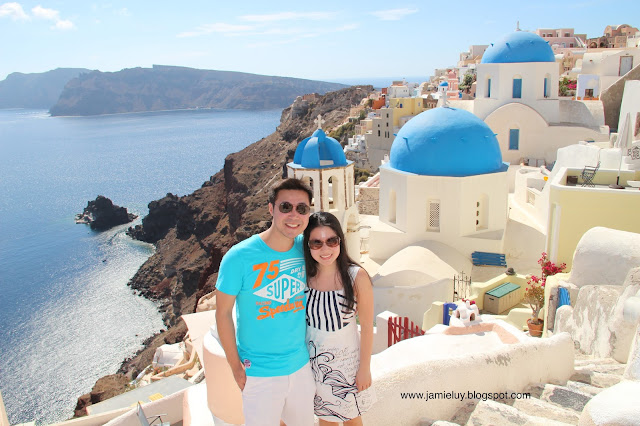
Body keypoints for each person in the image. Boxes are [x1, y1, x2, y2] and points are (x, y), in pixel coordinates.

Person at [215, 178, 316, 426]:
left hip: (301, 366)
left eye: (301, 208)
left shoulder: (308, 249)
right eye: (285, 207)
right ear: (271, 209)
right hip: (258, 372)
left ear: (309, 213)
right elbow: (223, 313)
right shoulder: (238, 257)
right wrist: (235, 366)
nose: (294, 215)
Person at [303, 211, 376, 425]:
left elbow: (367, 327)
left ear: (340, 242)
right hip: (316, 370)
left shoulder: (356, 277)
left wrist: (364, 369)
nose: (325, 250)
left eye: (331, 241)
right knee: (325, 422)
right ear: (308, 246)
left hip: (348, 370)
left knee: (353, 421)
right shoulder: (304, 278)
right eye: (317, 243)